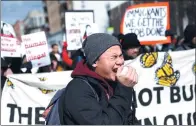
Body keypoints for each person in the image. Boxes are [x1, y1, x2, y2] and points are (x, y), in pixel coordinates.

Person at [58, 33, 139, 125]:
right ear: (94, 62)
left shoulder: (112, 83)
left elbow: (128, 119)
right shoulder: (78, 89)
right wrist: (124, 89)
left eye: (121, 56)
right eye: (114, 57)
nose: (120, 61)